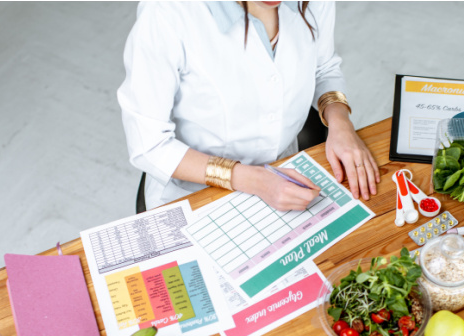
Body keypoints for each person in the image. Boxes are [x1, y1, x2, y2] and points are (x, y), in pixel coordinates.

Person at [118, 1, 380, 212]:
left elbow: (324, 67)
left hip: (285, 175)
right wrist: (255, 180)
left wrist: (341, 124)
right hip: (194, 194)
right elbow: (149, 145)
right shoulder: (167, 14)